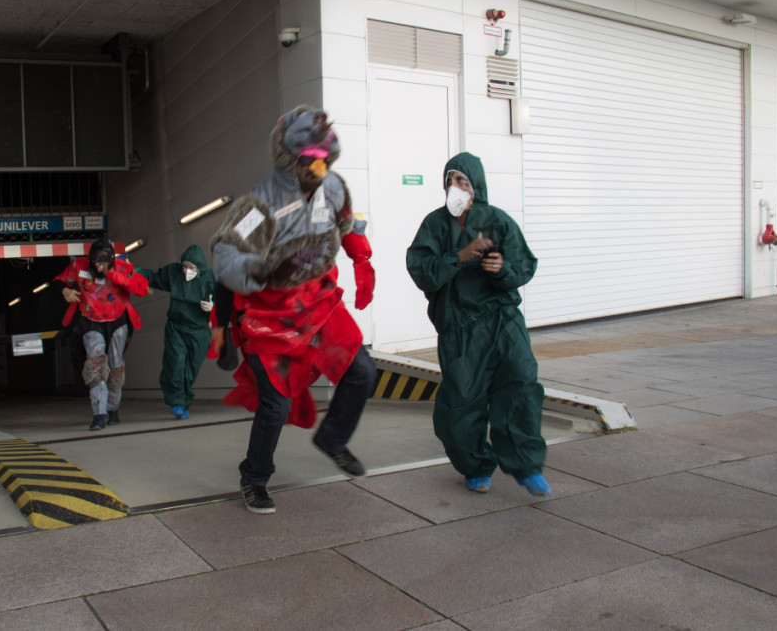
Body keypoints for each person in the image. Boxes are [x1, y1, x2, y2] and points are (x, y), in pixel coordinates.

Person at [211, 105, 377, 514]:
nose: (317, 168)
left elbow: (345, 223)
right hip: (269, 313)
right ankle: (254, 477)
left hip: (315, 301)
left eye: (323, 160)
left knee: (362, 372)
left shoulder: (334, 189)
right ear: (289, 159)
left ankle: (333, 438)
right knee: (276, 405)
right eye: (308, 160)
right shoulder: (258, 205)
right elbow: (225, 256)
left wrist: (360, 256)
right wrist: (260, 267)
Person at [406, 152, 552, 497]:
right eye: (450, 181)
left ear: (477, 185)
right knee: (462, 403)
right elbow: (420, 270)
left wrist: (501, 269)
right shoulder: (435, 225)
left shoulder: (498, 221)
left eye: (463, 181)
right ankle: (474, 466)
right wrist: (460, 256)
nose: (455, 188)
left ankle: (526, 466)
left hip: (503, 321)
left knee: (520, 387)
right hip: (461, 329)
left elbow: (525, 266)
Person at [55, 235, 149, 431]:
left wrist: (120, 278)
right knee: (96, 366)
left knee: (115, 366)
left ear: (112, 260)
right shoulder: (79, 267)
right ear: (90, 258)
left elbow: (142, 288)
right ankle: (99, 414)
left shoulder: (123, 267)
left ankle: (113, 409)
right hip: (90, 322)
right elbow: (59, 281)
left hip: (117, 322)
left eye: (104, 261)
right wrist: (65, 291)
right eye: (96, 260)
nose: (99, 265)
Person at [137, 245, 217, 421]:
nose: (187, 271)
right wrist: (130, 270)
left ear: (200, 268)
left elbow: (229, 303)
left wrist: (213, 309)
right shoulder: (173, 274)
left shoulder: (211, 279)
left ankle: (183, 401)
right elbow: (151, 277)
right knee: (176, 364)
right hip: (177, 328)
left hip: (199, 332)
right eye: (184, 267)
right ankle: (177, 403)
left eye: (191, 268)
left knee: (190, 370)